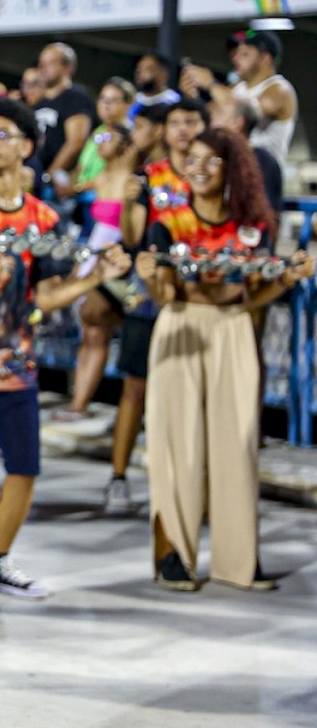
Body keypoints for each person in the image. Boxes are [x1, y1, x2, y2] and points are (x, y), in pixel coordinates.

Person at [0, 98, 131, 606]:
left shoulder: (44, 218)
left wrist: (96, 278)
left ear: (27, 146)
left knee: (24, 466)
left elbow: (45, 294)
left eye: (1, 136)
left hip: (18, 359)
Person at [137, 127, 312, 591]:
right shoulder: (168, 220)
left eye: (211, 161)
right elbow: (163, 293)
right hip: (180, 323)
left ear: (232, 170)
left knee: (237, 445)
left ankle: (240, 562)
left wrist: (289, 278)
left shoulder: (253, 223)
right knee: (178, 446)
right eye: (192, 159)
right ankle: (173, 555)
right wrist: (150, 275)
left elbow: (255, 297)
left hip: (234, 327)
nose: (198, 169)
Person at [54, 78, 137, 423]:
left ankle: (80, 403)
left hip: (114, 262)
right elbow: (69, 187)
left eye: (107, 137)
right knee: (88, 332)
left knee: (95, 326)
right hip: (93, 255)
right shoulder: (101, 179)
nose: (99, 140)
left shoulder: (132, 181)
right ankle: (78, 402)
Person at [183, 29, 296, 169]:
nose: (235, 58)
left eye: (245, 54)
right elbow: (211, 116)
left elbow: (246, 113)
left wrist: (211, 84)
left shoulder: (279, 90)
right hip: (235, 169)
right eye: (235, 53)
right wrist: (193, 96)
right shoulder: (236, 88)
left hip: (263, 173)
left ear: (265, 59)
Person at [34, 43, 93, 205]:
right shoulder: (40, 102)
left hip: (61, 185)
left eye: (50, 62)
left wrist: (51, 172)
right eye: (41, 63)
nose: (42, 68)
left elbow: (76, 141)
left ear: (68, 68)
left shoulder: (75, 97)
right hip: (39, 180)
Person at [211, 97, 284, 216]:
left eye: (219, 114)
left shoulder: (262, 162)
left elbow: (262, 213)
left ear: (237, 123)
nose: (212, 121)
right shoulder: (217, 158)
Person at [147, 98, 208, 226]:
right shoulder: (148, 174)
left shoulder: (216, 175)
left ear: (206, 126)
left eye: (190, 122)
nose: (182, 129)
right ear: (164, 130)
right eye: (174, 123)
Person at [129, 53, 180, 121]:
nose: (141, 74)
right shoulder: (133, 100)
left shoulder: (174, 101)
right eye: (139, 69)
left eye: (147, 69)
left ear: (163, 73)